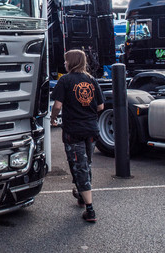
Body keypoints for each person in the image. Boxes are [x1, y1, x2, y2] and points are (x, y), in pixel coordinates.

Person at [50, 49, 105, 223]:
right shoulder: (92, 80)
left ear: (71, 63)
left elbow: (57, 105)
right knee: (86, 164)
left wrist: (53, 119)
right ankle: (82, 196)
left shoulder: (65, 81)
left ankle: (90, 210)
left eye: (66, 61)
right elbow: (100, 107)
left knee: (78, 166)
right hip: (91, 129)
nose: (65, 64)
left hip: (73, 131)